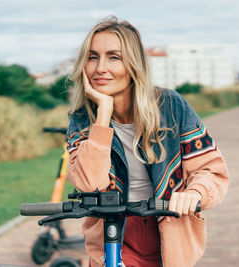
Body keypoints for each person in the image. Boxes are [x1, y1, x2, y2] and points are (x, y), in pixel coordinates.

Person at [66, 16, 229, 267]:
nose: (100, 68)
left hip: (168, 229)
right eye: (92, 56)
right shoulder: (82, 119)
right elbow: (89, 185)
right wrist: (103, 115)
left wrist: (195, 192)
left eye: (114, 57)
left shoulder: (172, 107)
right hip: (113, 235)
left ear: (134, 64)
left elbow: (212, 171)